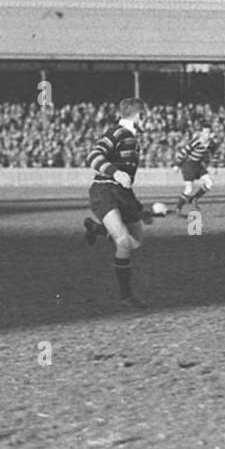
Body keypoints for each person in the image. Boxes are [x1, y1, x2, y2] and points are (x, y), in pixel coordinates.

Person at [83, 97, 150, 304]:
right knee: (124, 242)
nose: (149, 120)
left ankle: (97, 229)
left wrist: (138, 207)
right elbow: (93, 156)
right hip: (104, 190)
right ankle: (126, 296)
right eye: (146, 116)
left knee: (136, 242)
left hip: (123, 193)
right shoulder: (118, 132)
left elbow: (127, 179)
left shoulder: (132, 136)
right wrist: (115, 172)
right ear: (140, 116)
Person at [173, 124, 217, 215]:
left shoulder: (211, 143)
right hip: (188, 165)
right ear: (201, 133)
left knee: (210, 182)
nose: (207, 135)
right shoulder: (195, 142)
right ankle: (178, 207)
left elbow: (214, 154)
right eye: (205, 132)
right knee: (189, 189)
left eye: (209, 132)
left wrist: (214, 166)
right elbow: (184, 152)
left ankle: (194, 199)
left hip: (198, 165)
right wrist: (177, 165)